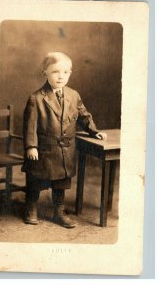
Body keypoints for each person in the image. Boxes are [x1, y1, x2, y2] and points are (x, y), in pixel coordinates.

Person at [22, 52, 107, 228]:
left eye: (65, 72)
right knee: (36, 180)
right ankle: (31, 207)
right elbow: (30, 126)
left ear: (70, 73)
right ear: (45, 72)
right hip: (45, 149)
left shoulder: (73, 95)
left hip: (65, 150)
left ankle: (59, 211)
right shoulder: (36, 98)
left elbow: (83, 115)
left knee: (61, 181)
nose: (61, 76)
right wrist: (31, 146)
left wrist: (93, 131)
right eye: (55, 72)